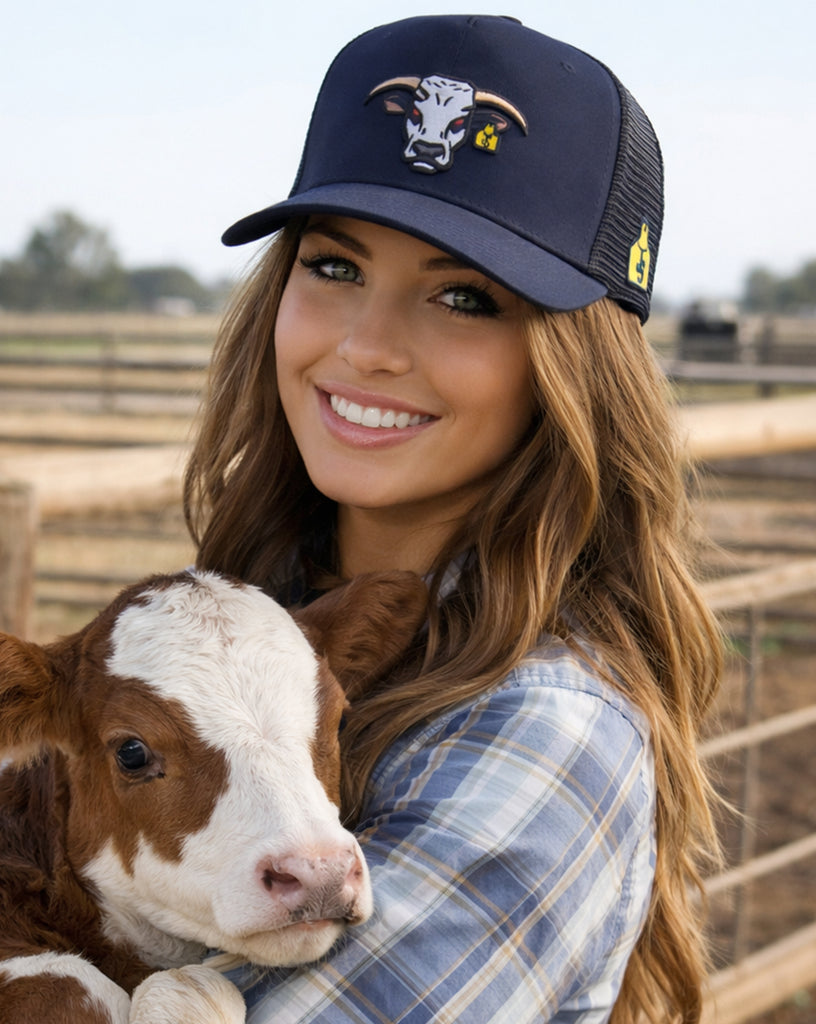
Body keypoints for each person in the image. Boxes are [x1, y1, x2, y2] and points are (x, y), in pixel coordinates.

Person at [183, 14, 723, 1024]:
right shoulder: (246, 624)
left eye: (464, 296)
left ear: (574, 368)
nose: (366, 346)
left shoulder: (542, 732)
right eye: (333, 266)